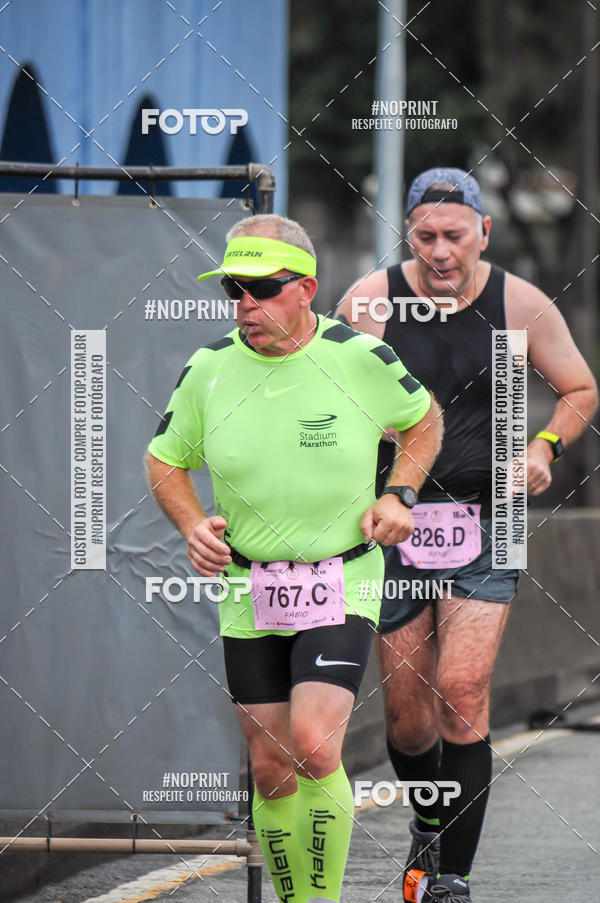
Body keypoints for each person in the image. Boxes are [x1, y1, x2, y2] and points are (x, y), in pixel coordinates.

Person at [145, 213, 443, 903]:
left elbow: (422, 420)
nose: (245, 304)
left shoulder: (358, 359)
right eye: (233, 291)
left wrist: (399, 492)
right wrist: (193, 524)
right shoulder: (209, 369)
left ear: (305, 288)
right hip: (250, 586)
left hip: (342, 576)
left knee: (313, 746)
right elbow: (164, 460)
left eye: (263, 288)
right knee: (272, 767)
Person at [336, 168, 598, 903]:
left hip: (491, 517)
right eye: (426, 236)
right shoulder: (369, 303)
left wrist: (544, 445)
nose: (442, 251)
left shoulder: (519, 302)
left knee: (461, 692)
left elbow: (580, 387)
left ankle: (451, 875)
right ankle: (429, 819)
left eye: (456, 235)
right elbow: (332, 401)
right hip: (397, 518)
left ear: (484, 231)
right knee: (410, 718)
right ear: (407, 234)